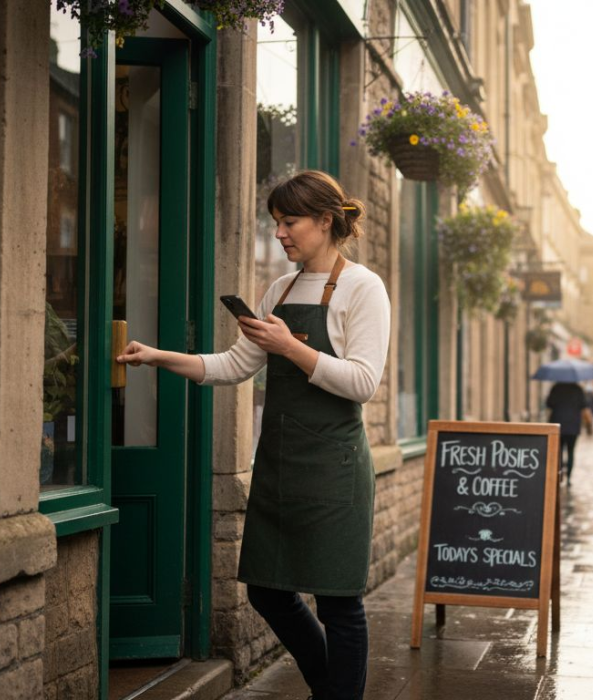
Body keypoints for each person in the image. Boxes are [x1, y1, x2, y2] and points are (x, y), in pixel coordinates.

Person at [117, 171, 389, 700]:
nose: (280, 233)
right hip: (280, 466)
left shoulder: (363, 287)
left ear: (325, 221)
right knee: (267, 592)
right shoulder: (279, 290)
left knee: (338, 602)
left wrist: (290, 347)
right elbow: (232, 365)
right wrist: (157, 357)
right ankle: (330, 688)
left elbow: (363, 383)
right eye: (276, 223)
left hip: (335, 471)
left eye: (290, 222)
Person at [547, 381, 587, 485]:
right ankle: (569, 477)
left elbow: (549, 403)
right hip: (573, 426)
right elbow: (584, 405)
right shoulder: (578, 389)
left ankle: (559, 476)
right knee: (571, 451)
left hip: (557, 424)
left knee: (558, 451)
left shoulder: (556, 387)